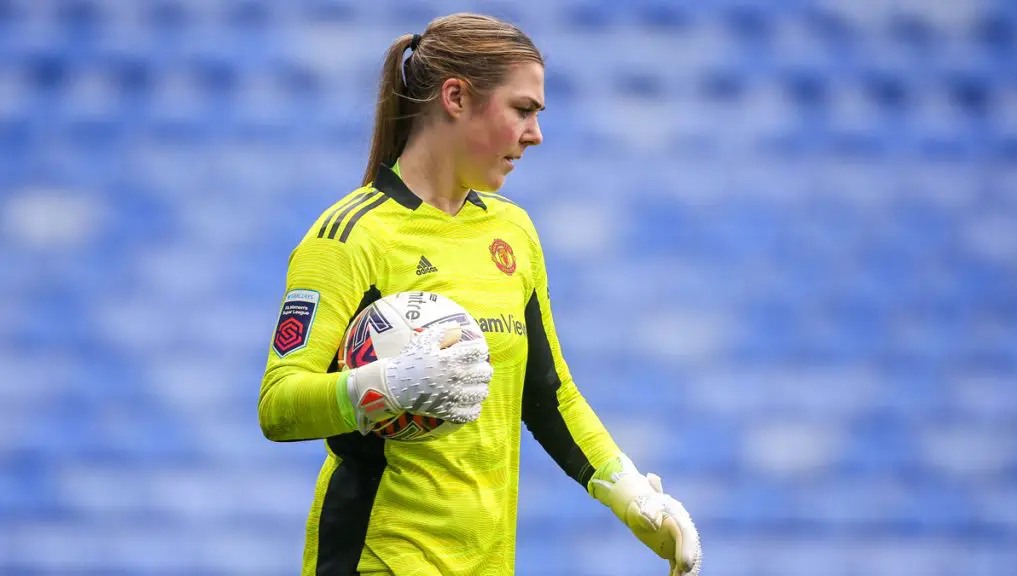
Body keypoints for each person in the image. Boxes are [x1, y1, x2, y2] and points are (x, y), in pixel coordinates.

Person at [258, 13, 702, 576]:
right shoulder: (349, 237)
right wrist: (387, 386)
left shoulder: (512, 232)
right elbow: (278, 405)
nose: (535, 133)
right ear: (456, 97)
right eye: (523, 109)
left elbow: (548, 395)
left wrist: (636, 499)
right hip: (377, 559)